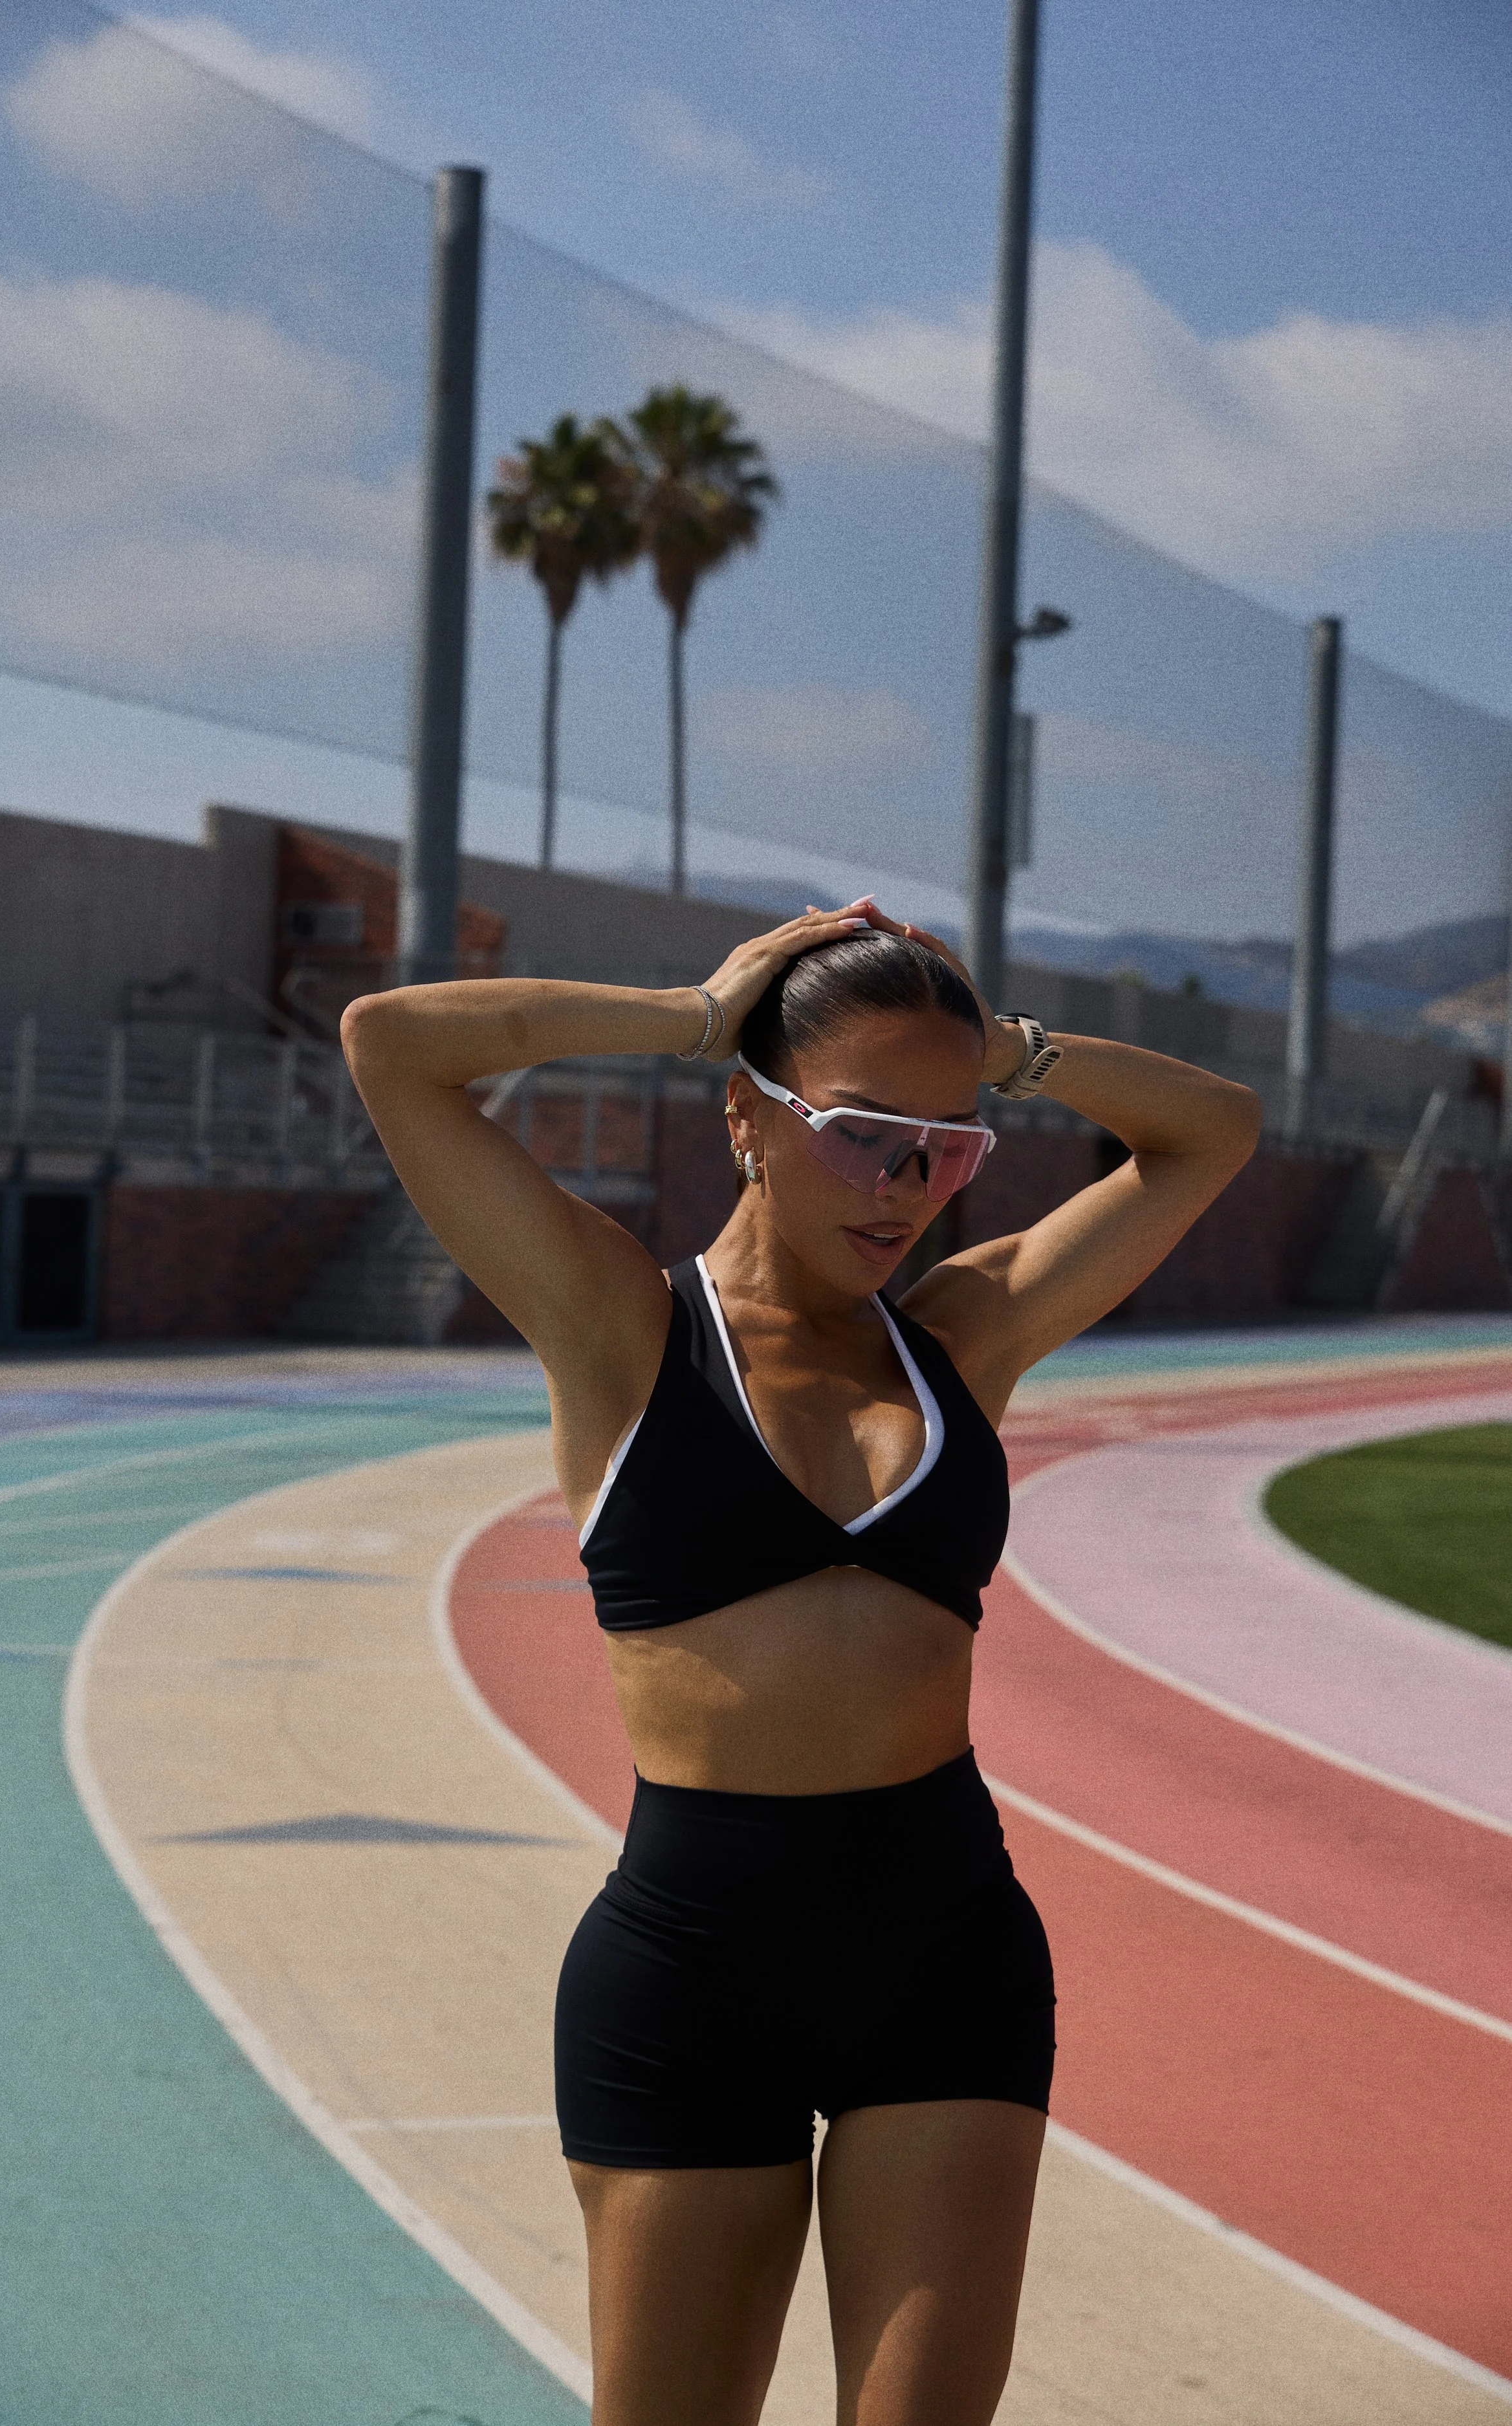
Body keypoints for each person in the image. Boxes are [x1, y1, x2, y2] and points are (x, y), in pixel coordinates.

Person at [342, 901, 1260, 2426]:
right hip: (691, 1969)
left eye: (947, 1147)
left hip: (946, 1955)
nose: (905, 1184)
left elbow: (1209, 1128)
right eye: (859, 1132)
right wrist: (697, 1013)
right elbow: (395, 1048)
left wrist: (1006, 1054)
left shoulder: (964, 1335)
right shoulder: (621, 1327)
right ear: (745, 1121)